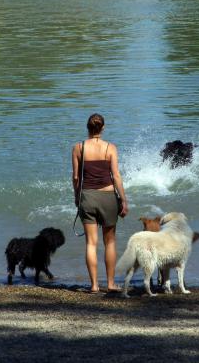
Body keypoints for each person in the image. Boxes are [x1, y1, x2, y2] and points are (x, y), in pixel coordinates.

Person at [72, 113, 128, 293]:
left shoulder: (78, 147)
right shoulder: (110, 147)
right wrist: (124, 200)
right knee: (110, 242)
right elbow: (116, 176)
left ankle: (94, 285)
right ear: (102, 128)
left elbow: (75, 177)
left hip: (87, 197)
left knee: (91, 243)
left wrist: (76, 196)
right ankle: (111, 284)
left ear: (87, 128)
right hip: (108, 197)